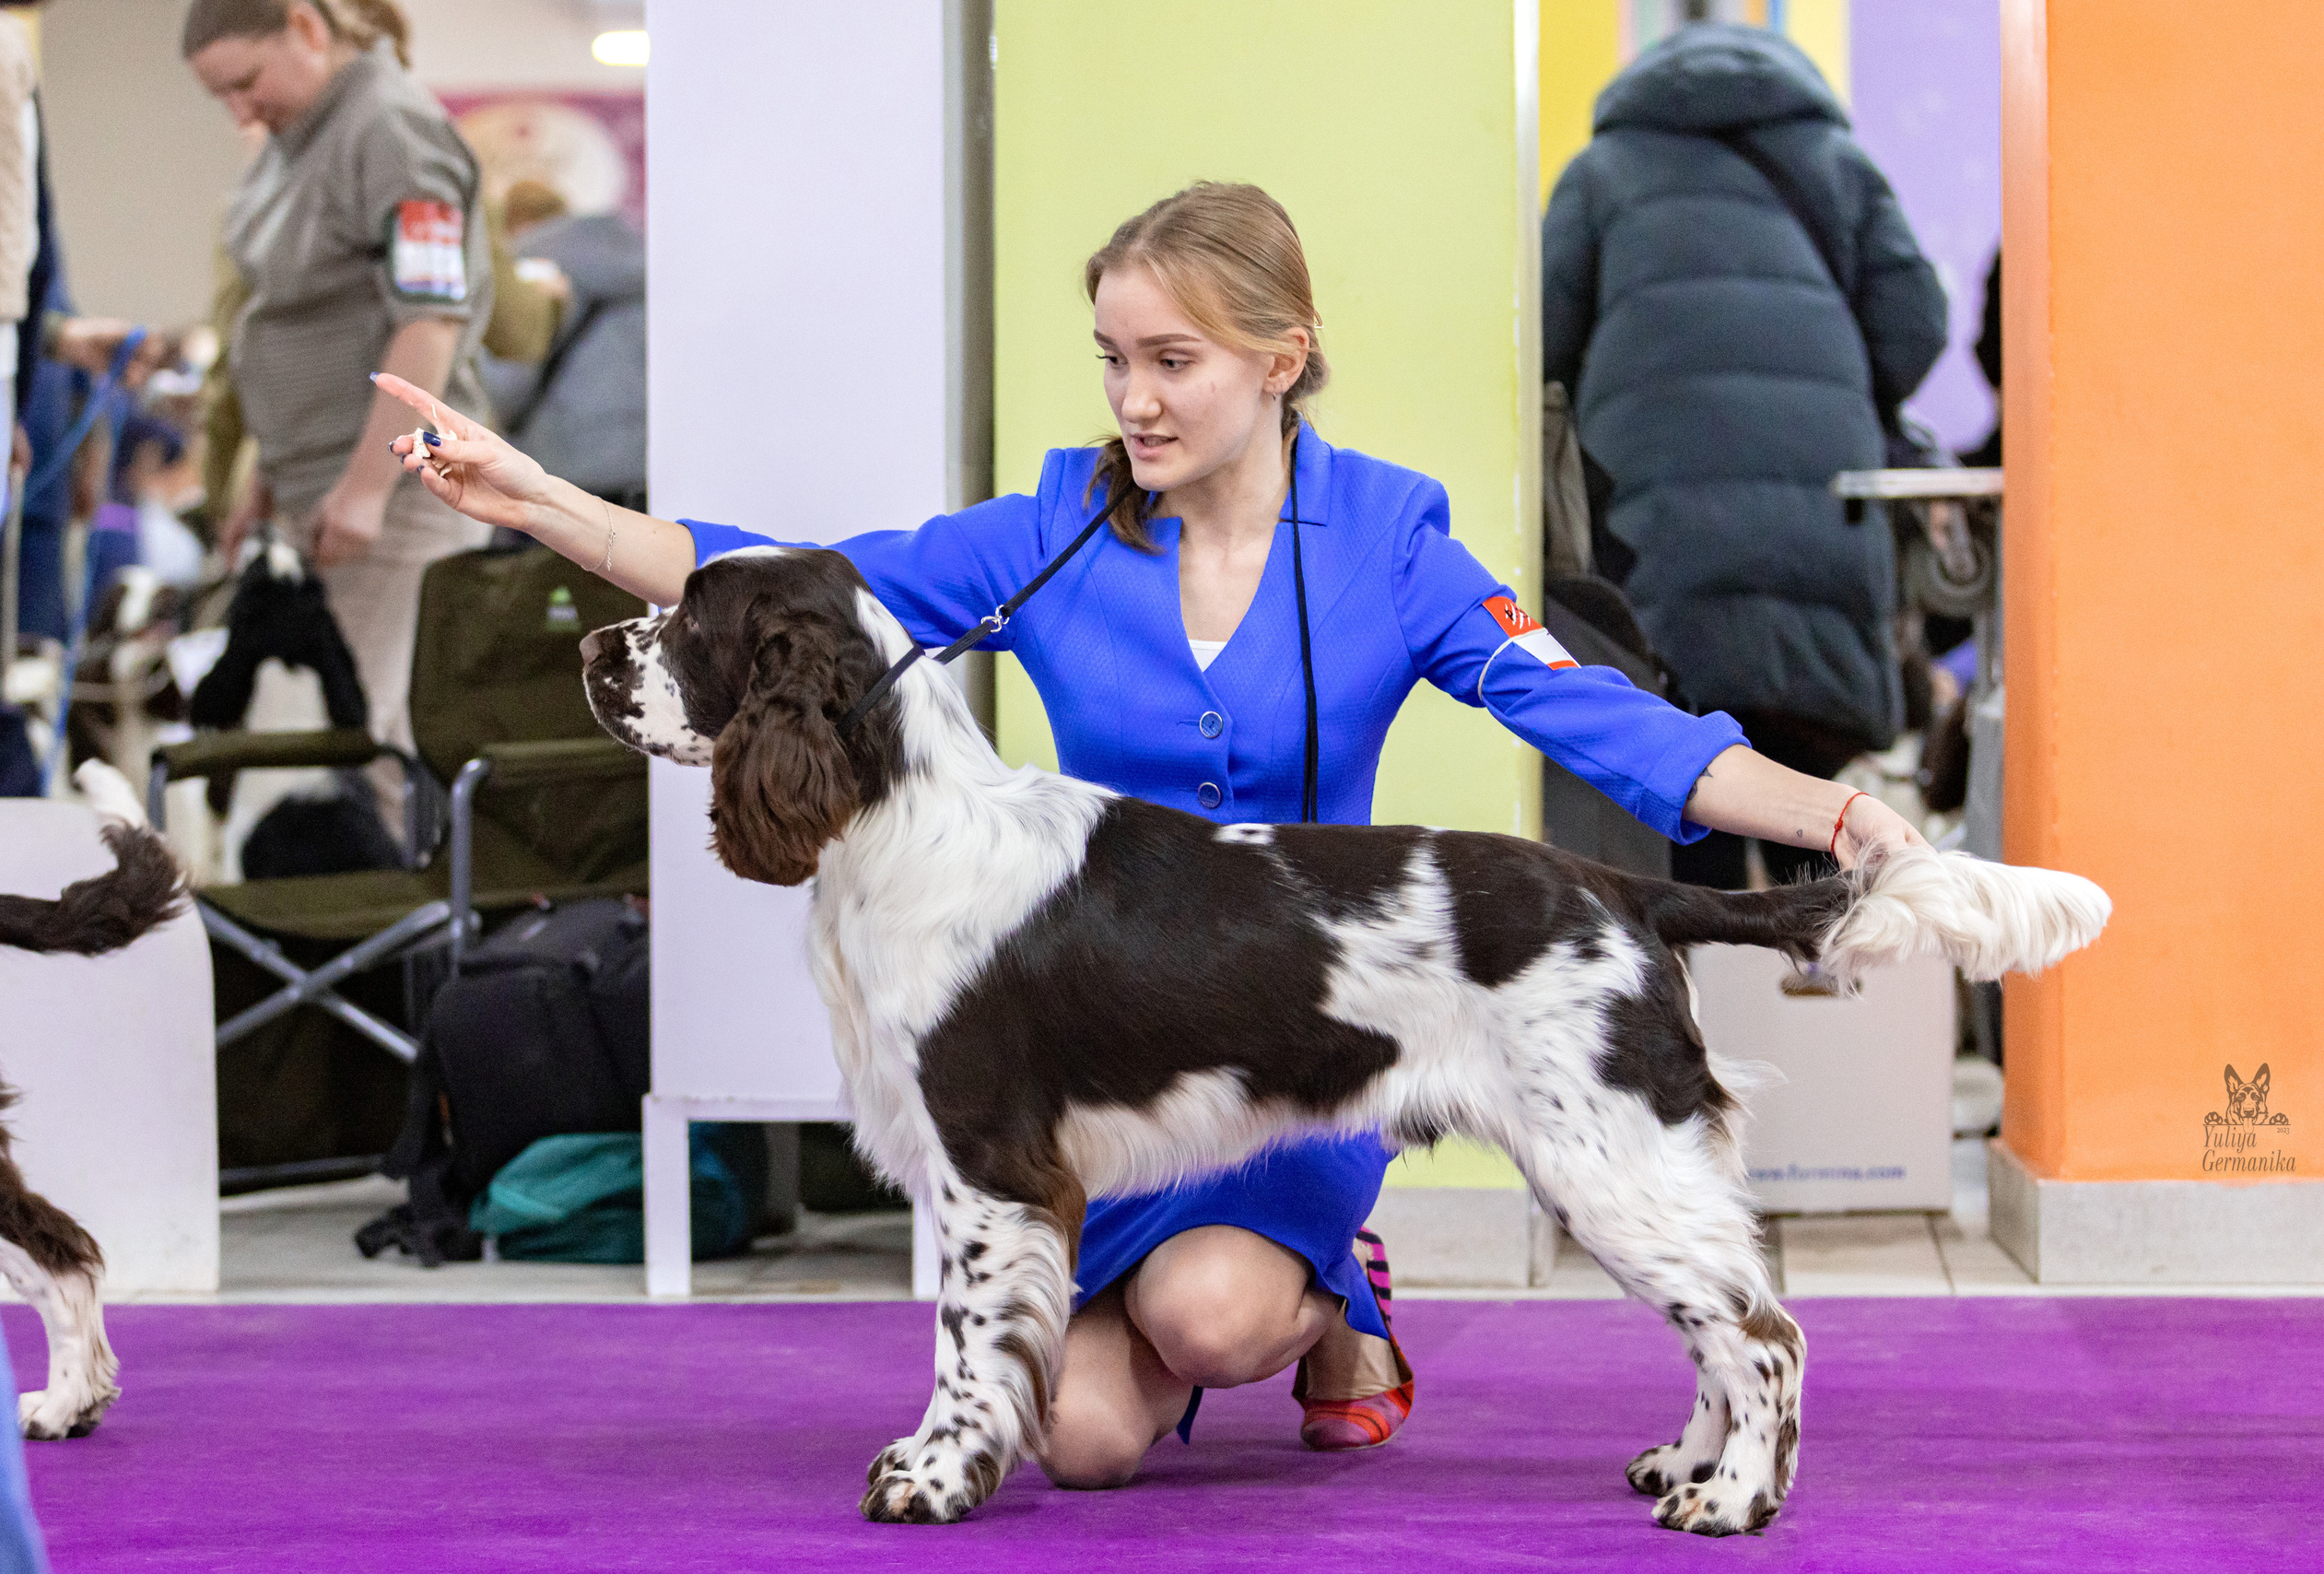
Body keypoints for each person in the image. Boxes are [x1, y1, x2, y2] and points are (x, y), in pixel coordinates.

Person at [375, 182, 1927, 1489]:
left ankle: (1334, 1300)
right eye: (1115, 358)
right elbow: (786, 588)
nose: (1135, 399)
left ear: (1281, 359)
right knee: (1094, 1442)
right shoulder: (1057, 520)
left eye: (1173, 360)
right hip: (1106, 1021)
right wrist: (534, 499)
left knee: (1214, 1317)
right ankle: (1068, 1360)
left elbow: (1582, 709)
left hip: (1299, 1031)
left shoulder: (1387, 536)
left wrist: (1839, 817)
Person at [1541, 22, 1948, 890]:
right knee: (1814, 790)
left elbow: (1540, 344)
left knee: (1686, 774)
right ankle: (1830, 988)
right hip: (1817, 506)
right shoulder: (1836, 161)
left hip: (1653, 521)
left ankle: (1698, 995)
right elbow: (1916, 328)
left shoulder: (1604, 171)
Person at [182, 0, 495, 802]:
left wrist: (365, 487)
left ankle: (410, 925)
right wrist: (266, 479)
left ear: (307, 28)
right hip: (316, 485)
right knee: (348, 743)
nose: (239, 110)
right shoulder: (299, 136)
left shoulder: (390, 127)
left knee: (385, 737)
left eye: (246, 82)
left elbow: (430, 320)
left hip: (396, 496)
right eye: (221, 95)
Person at [487, 182, 647, 514]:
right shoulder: (643, 260)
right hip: (645, 465)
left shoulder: (525, 264)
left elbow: (506, 382)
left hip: (558, 463)